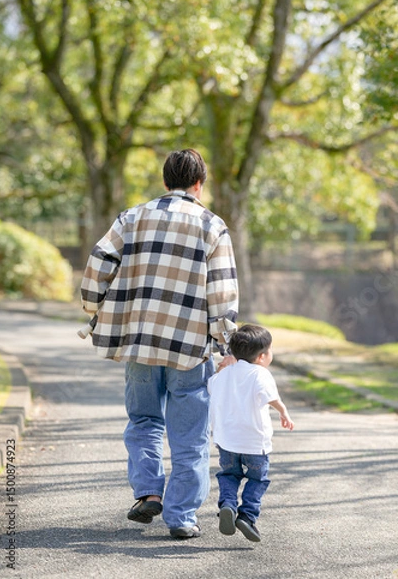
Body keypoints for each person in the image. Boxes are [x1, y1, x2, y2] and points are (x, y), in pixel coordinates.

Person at [80, 148, 238, 539]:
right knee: (190, 435)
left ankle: (149, 491)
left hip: (141, 342)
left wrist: (94, 305)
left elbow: (98, 262)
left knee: (144, 420)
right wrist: (225, 341)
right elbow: (221, 293)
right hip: (189, 347)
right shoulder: (212, 225)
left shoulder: (132, 217)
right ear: (199, 185)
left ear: (165, 182)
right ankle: (182, 517)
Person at [207, 324, 294, 543]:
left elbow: (211, 386)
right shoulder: (260, 374)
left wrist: (221, 369)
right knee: (258, 478)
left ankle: (227, 505)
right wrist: (283, 412)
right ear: (262, 356)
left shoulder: (225, 374)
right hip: (255, 443)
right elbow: (271, 397)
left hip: (227, 442)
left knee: (229, 475)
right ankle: (247, 516)